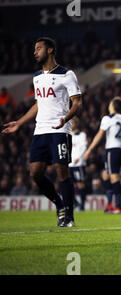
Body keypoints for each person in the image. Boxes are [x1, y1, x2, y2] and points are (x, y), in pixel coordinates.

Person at [2, 37, 82, 227]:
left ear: (50, 50)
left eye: (39, 48)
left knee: (62, 171)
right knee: (35, 173)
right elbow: (38, 104)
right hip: (40, 130)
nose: (35, 52)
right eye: (34, 49)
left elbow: (77, 103)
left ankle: (69, 215)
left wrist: (66, 118)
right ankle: (59, 203)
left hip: (60, 129)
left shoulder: (66, 74)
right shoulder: (37, 76)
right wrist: (19, 123)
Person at [83, 97, 121, 214]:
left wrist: (89, 149)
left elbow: (100, 134)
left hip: (112, 149)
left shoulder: (108, 118)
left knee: (114, 176)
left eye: (110, 103)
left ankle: (118, 206)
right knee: (105, 175)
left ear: (112, 106)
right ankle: (109, 205)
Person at [69, 117, 88, 211]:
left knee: (80, 184)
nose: (71, 124)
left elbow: (84, 147)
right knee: (68, 185)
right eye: (70, 122)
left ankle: (82, 206)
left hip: (78, 164)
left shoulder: (82, 135)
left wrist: (79, 158)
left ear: (77, 123)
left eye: (73, 122)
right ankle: (75, 203)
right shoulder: (67, 135)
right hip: (68, 164)